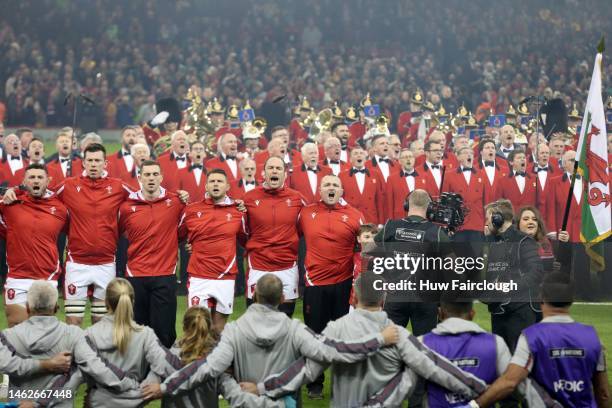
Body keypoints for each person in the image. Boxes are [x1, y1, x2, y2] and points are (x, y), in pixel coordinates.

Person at [141, 274, 400, 404]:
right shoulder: (295, 329)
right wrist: (377, 339)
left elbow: (208, 369)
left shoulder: (233, 331)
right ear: (283, 300)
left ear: (254, 296)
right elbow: (331, 352)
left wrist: (164, 387)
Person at [248, 272, 488, 408]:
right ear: (383, 298)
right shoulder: (397, 334)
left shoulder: (336, 329)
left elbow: (306, 370)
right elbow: (434, 367)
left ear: (355, 297)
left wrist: (262, 387)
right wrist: (476, 387)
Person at [473, 272, 610, 407]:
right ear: (572, 299)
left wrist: (474, 405)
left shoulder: (531, 337)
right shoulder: (592, 336)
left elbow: (510, 382)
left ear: (541, 297)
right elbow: (603, 393)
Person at [0, 281, 140, 407]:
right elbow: (91, 371)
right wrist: (46, 365)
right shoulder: (76, 336)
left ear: (27, 307)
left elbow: (5, 364)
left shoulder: (8, 337)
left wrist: (41, 366)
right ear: (56, 307)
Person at [372, 188, 451, 408]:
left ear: (407, 205)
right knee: (421, 354)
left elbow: (369, 250)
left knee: (389, 352)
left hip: (395, 296)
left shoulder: (390, 226)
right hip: (425, 300)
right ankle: (416, 403)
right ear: (429, 208)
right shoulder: (435, 232)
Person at [298, 174, 364, 398]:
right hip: (315, 284)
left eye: (335, 184)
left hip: (344, 285)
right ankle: (315, 383)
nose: (331, 187)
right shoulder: (305, 213)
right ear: (319, 190)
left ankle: (343, 383)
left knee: (343, 338)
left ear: (341, 191)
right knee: (315, 336)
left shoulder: (355, 216)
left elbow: (366, 245)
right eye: (326, 184)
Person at [153, 307, 283, 408]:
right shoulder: (217, 362)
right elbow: (236, 396)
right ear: (209, 328)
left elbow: (144, 391)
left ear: (183, 326)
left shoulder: (167, 357)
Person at [81, 278, 182, 407]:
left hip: (98, 402)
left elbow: (71, 380)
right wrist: (144, 389)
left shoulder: (89, 335)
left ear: (106, 302)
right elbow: (169, 367)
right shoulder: (145, 335)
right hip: (136, 401)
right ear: (132, 302)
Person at [118, 160, 184, 347]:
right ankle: (139, 372)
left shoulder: (176, 202)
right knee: (137, 331)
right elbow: (120, 232)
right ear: (139, 178)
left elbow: (188, 226)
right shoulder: (127, 207)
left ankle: (163, 372)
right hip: (136, 275)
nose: (151, 178)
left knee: (164, 332)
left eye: (155, 174)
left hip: (165, 273)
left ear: (161, 177)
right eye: (147, 174)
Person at [178, 168, 246, 332]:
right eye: (212, 181)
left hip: (225, 276)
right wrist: (191, 242)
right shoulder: (191, 210)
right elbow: (175, 236)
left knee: (217, 329)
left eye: (220, 181)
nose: (216, 184)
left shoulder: (238, 211)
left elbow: (247, 240)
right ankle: (196, 358)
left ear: (227, 186)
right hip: (198, 275)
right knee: (196, 328)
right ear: (206, 186)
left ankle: (217, 358)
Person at [0, 164, 67, 327]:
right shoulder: (10, 204)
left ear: (48, 181)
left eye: (40, 177)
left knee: (44, 329)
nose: (36, 181)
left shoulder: (60, 208)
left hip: (47, 278)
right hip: (18, 276)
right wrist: (13, 190)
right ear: (24, 181)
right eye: (31, 177)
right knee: (17, 327)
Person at [243, 156, 305, 317]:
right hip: (258, 263)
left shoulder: (297, 198)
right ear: (263, 173)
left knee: (285, 315)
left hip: (287, 263)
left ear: (285, 174)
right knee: (255, 315)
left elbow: (305, 227)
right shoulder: (249, 198)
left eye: (279, 168)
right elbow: (241, 230)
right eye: (271, 168)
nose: (275, 171)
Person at [483, 199, 543, 352]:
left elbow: (536, 272)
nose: (486, 222)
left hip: (520, 311)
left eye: (488, 217)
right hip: (499, 310)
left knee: (520, 360)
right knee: (502, 361)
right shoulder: (494, 242)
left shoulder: (524, 241)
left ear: (498, 218)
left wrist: (511, 286)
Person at [516, 206, 570, 275]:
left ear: (538, 224)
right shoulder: (510, 245)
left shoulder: (549, 243)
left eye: (534, 219)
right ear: (518, 224)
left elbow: (565, 263)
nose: (531, 222)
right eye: (526, 219)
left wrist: (565, 243)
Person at [338, 147, 385, 225]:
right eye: (355, 153)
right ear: (350, 159)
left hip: (371, 219)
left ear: (365, 158)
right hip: (350, 219)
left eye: (361, 153)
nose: (359, 155)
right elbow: (340, 199)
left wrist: (381, 222)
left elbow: (379, 200)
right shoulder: (342, 176)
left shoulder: (376, 174)